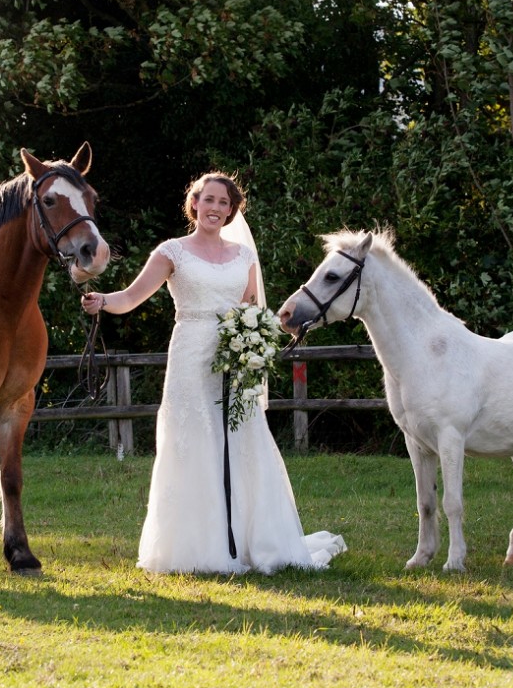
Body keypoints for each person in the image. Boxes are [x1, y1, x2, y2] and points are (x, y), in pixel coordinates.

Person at [82, 172, 346, 574]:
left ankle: (249, 540)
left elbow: (252, 309)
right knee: (193, 439)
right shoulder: (172, 252)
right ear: (194, 204)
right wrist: (103, 301)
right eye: (209, 200)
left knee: (242, 440)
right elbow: (132, 297)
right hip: (190, 355)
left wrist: (257, 339)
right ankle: (197, 547)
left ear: (231, 210)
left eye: (224, 203)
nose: (216, 208)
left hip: (235, 360)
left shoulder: (244, 257)